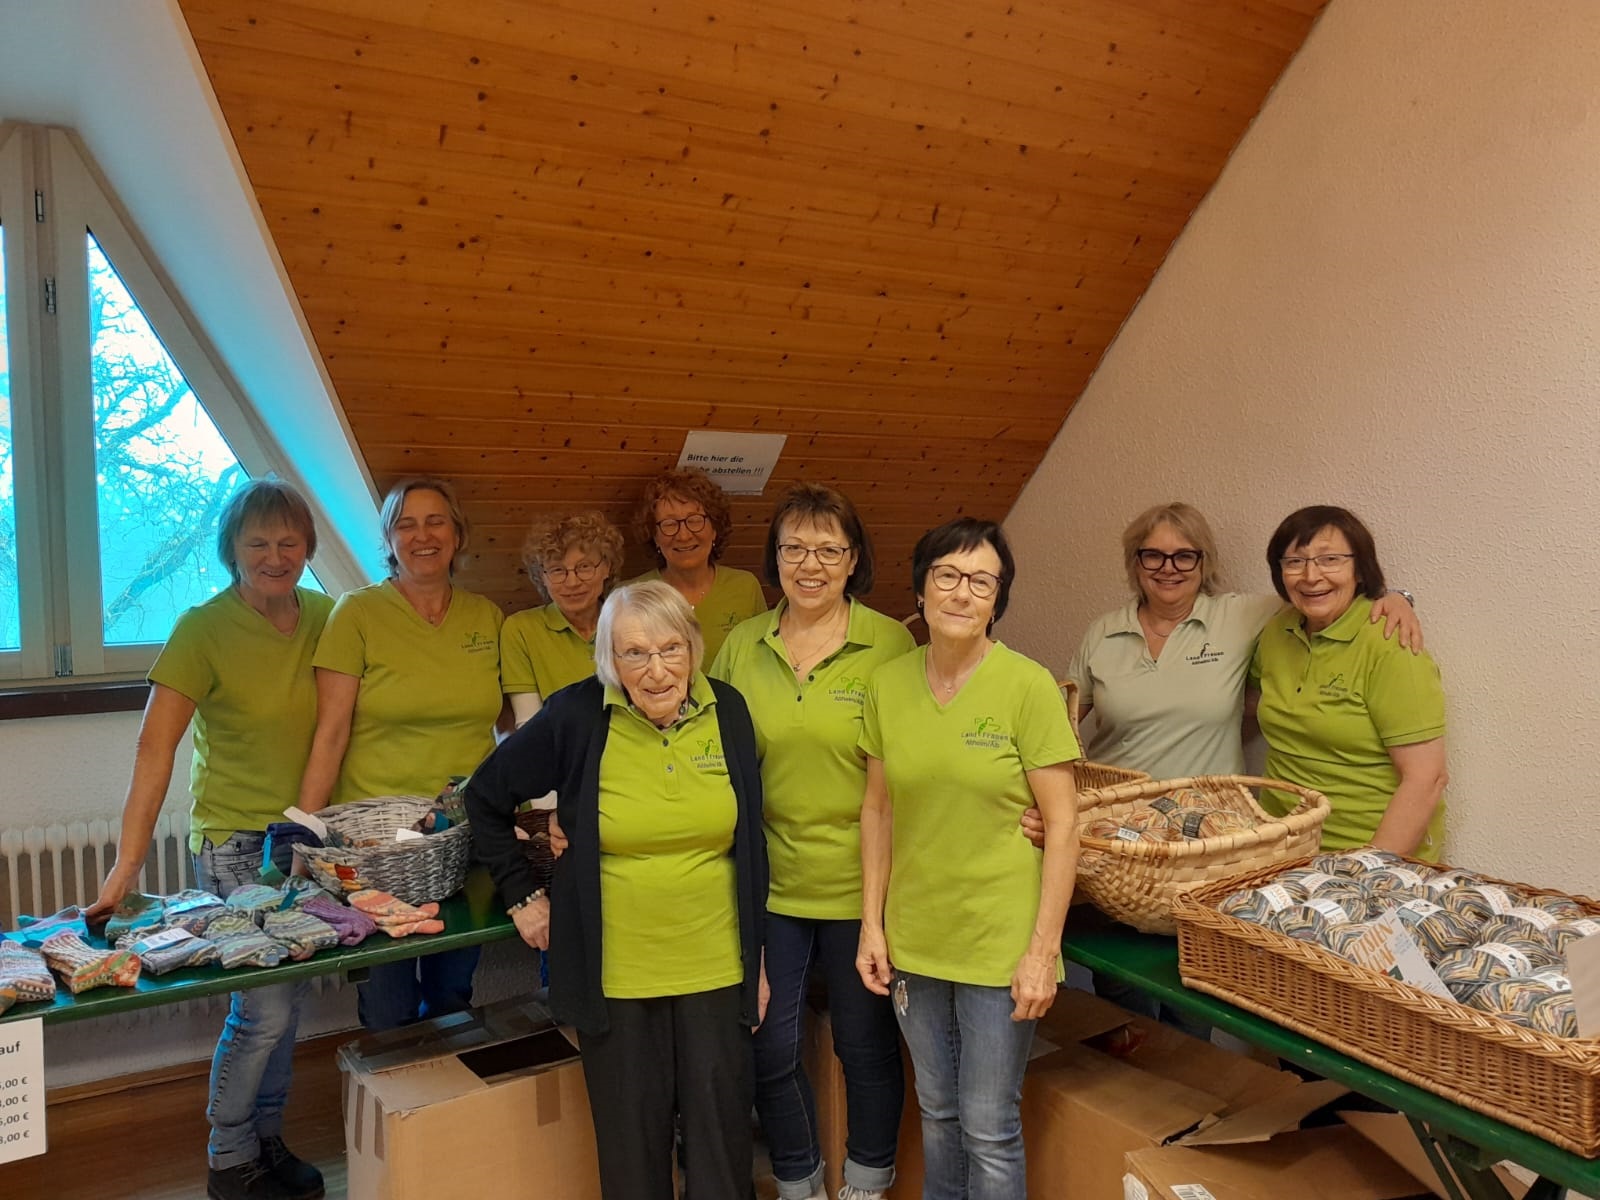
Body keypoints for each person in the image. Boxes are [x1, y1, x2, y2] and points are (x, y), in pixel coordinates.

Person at [465, 581, 768, 1200]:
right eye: (634, 654)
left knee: (723, 1150)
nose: (656, 671)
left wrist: (756, 960)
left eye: (671, 649)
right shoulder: (577, 715)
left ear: (693, 647)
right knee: (632, 1154)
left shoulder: (729, 710)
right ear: (609, 658)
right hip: (616, 975)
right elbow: (485, 797)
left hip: (716, 966)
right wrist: (524, 897)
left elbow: (751, 842)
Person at [88, 479, 330, 1200]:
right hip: (232, 843)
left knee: (288, 1001)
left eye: (289, 542)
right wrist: (124, 869)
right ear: (231, 550)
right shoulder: (202, 628)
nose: (274, 555)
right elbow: (153, 751)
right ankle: (229, 1160)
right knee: (264, 1007)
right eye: (258, 542)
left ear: (309, 548)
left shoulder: (326, 617)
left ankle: (267, 1138)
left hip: (304, 841)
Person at [856, 518, 1081, 1200]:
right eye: (947, 576)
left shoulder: (1027, 685)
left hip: (999, 940)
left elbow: (1065, 823)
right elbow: (878, 808)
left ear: (997, 598)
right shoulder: (888, 684)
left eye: (981, 580)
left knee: (988, 1125)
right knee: (939, 1112)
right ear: (920, 590)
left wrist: (1042, 952)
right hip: (917, 938)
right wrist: (872, 923)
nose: (962, 592)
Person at [711, 483, 914, 1200]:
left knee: (864, 1045)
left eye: (830, 549)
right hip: (771, 882)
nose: (811, 564)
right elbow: (719, 761)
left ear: (853, 560)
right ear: (774, 557)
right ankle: (798, 1181)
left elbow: (907, 770)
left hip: (865, 884)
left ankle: (867, 1181)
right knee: (768, 1045)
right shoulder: (741, 644)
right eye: (795, 548)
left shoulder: (890, 643)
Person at [297, 475, 504, 1029]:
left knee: (452, 990)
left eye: (435, 521)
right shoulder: (357, 614)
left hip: (462, 840)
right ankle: (391, 1111)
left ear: (458, 534)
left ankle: (445, 1111)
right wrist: (305, 835)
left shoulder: (487, 618)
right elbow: (331, 732)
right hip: (376, 852)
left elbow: (511, 728)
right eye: (405, 525)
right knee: (387, 1005)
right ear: (388, 542)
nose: (422, 536)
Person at [1063, 501, 1422, 780]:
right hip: (1115, 820)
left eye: (1185, 556)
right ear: (1135, 564)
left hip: (1211, 823)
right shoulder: (1102, 632)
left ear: (1205, 563)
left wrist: (1391, 597)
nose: (1168, 568)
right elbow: (1055, 729)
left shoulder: (1242, 617)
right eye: (1153, 555)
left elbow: (1316, 593)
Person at [1252, 505, 1448, 857]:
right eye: (1295, 561)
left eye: (1330, 560)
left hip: (1369, 854)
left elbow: (1427, 779)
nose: (1311, 576)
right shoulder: (1276, 633)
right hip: (1281, 848)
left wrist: (1365, 872)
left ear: (1360, 569)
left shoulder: (1391, 644)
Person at [502, 510, 625, 727]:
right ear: (542, 576)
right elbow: (529, 725)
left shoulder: (629, 622)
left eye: (584, 567)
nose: (572, 582)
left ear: (606, 567)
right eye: (557, 570)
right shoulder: (521, 630)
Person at [631, 466, 766, 661]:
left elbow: (760, 662)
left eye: (695, 521)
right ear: (654, 536)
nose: (684, 535)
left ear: (715, 529)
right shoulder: (632, 595)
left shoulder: (746, 587)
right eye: (669, 524)